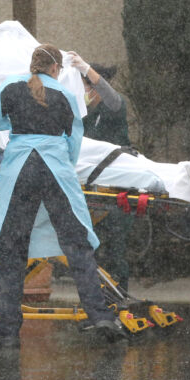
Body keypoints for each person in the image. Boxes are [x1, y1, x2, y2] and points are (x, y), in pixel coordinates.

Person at [0, 44, 125, 347]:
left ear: (34, 65)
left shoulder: (10, 87)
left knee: (13, 249)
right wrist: (61, 165)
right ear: (56, 68)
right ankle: (100, 316)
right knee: (77, 245)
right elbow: (74, 142)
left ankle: (8, 332)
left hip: (20, 169)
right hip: (55, 168)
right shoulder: (66, 95)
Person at [69, 52, 134, 291]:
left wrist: (85, 68)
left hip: (117, 191)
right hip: (94, 191)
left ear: (95, 88)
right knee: (93, 251)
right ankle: (98, 301)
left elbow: (112, 97)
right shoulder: (85, 116)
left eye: (84, 86)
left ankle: (119, 296)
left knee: (115, 250)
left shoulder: (112, 108)